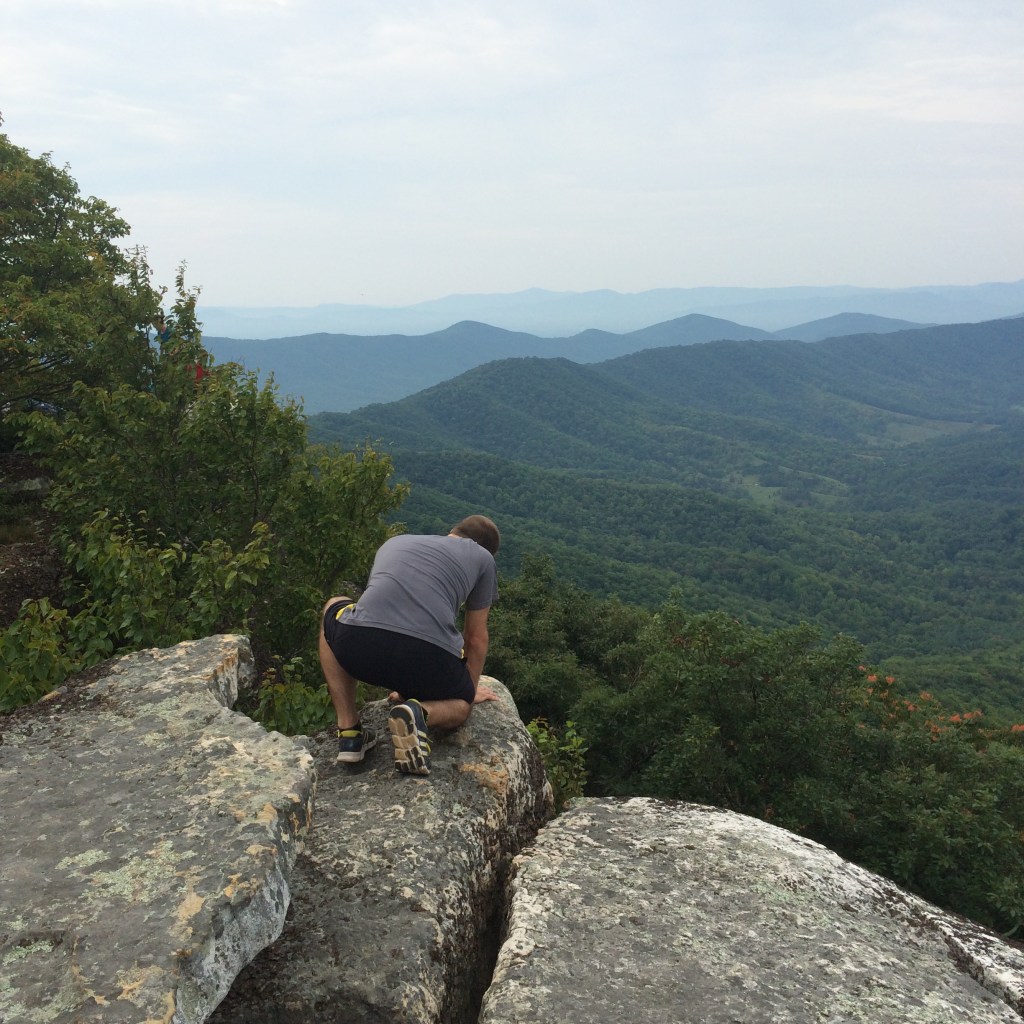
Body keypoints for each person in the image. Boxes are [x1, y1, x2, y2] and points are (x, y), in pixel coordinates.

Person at [319, 515, 500, 775]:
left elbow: (389, 620)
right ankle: (419, 713)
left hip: (358, 643)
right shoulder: (483, 558)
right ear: (485, 549)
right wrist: (468, 693)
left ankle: (349, 732)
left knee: (333, 605)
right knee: (460, 707)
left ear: (453, 531)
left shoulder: (396, 541)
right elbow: (475, 637)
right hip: (427, 656)